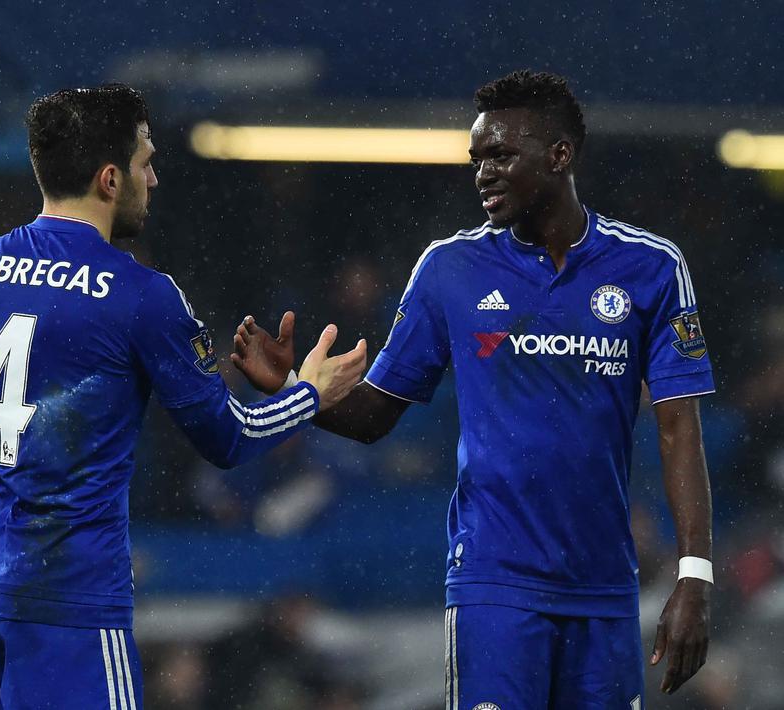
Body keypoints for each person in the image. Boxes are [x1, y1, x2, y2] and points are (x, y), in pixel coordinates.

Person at [0, 83, 368, 709]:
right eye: (145, 163)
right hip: (70, 605)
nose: (154, 179)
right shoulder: (140, 296)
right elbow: (229, 438)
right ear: (110, 179)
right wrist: (309, 394)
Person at [232, 70, 714, 707]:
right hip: (494, 583)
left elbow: (680, 430)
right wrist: (294, 389)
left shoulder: (652, 267)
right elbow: (375, 414)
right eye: (476, 158)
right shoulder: (449, 269)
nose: (482, 172)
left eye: (502, 155)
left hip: (603, 588)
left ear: (560, 155)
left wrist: (694, 575)